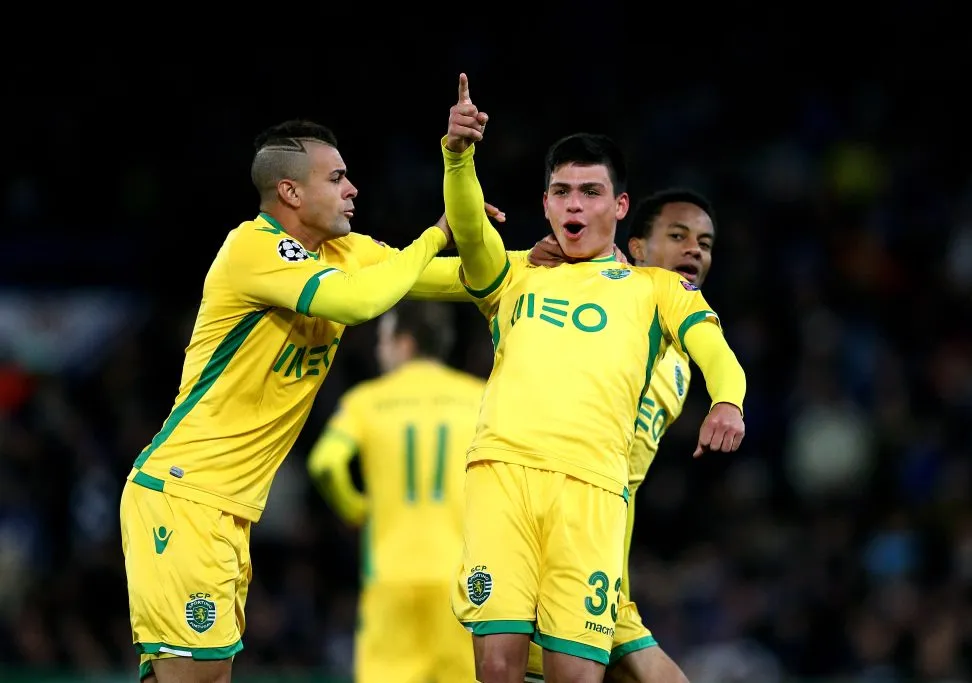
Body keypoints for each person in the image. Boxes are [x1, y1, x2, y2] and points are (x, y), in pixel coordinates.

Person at [119, 118, 502, 683]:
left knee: (202, 676)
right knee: (195, 678)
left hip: (229, 506)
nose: (353, 189)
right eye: (338, 177)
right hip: (185, 492)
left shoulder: (344, 252)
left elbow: (449, 280)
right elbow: (359, 303)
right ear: (291, 192)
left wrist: (544, 266)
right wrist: (434, 234)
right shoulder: (250, 249)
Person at [441, 73, 747, 683]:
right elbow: (471, 234)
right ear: (547, 202)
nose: (574, 204)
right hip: (502, 474)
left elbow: (713, 345)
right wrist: (458, 156)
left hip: (594, 492)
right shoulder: (515, 275)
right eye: (561, 192)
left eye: (589, 191)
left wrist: (728, 401)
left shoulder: (655, 289)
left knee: (576, 674)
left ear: (619, 205)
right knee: (497, 666)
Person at [523, 188, 718, 682]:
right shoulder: (602, 309)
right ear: (635, 248)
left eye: (705, 242)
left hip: (608, 555)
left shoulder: (682, 357)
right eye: (677, 235)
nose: (695, 249)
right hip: (556, 542)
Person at [307, 300, 483, 683]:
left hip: (390, 575)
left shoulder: (365, 402)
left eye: (383, 339)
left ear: (405, 343)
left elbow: (324, 463)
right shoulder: (481, 398)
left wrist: (355, 508)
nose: (377, 349)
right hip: (463, 580)